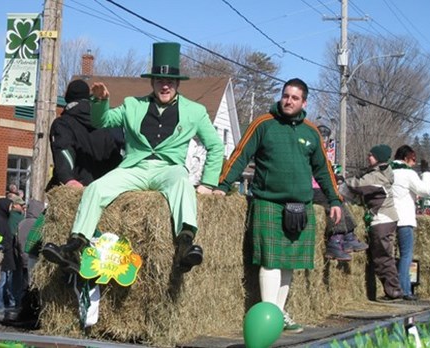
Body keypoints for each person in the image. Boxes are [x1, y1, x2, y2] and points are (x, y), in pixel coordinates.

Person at [42, 42, 225, 273]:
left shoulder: (195, 111)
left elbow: (216, 147)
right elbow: (102, 122)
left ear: (177, 84)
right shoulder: (132, 105)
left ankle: (185, 245)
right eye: (159, 81)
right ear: (152, 82)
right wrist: (100, 102)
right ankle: (75, 247)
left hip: (169, 168)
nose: (165, 86)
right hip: (134, 167)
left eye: (169, 82)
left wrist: (208, 183)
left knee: (182, 184)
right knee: (96, 188)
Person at [214, 78, 342, 334]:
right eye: (286, 96)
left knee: (288, 263)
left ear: (304, 102)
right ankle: (268, 313)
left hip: (300, 206)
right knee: (271, 262)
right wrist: (223, 184)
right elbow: (241, 154)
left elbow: (324, 170)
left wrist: (335, 199)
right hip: (268, 202)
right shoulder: (264, 124)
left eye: (295, 98)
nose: (288, 101)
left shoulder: (311, 132)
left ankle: (279, 314)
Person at [345, 144, 402, 301]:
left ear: (378, 158)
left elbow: (358, 185)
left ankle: (394, 292)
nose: (368, 157)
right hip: (385, 218)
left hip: (382, 219)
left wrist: (342, 182)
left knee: (383, 257)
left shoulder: (378, 176)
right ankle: (392, 290)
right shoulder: (382, 172)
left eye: (371, 155)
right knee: (382, 256)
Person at [45, 79, 124, 190]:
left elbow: (63, 150)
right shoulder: (105, 121)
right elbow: (117, 155)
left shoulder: (63, 123)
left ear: (68, 98)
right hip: (106, 190)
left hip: (78, 189)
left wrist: (67, 179)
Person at [391, 145, 430, 301]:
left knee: (389, 255)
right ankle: (405, 289)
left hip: (387, 218)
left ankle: (392, 287)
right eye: (413, 159)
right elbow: (426, 191)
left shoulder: (388, 171)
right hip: (404, 218)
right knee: (406, 255)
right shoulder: (408, 174)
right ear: (406, 158)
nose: (414, 163)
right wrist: (427, 173)